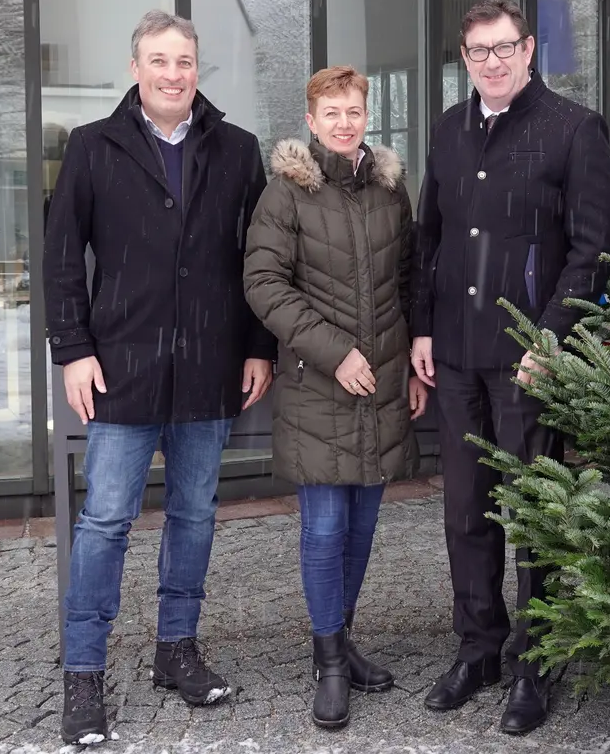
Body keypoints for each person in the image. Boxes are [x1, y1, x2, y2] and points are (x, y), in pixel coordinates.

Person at [44, 9, 276, 746]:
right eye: (159, 60)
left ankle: (176, 650)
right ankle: (84, 673)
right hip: (120, 367)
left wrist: (258, 346)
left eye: (184, 61)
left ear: (196, 68)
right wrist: (72, 349)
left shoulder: (238, 150)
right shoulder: (91, 147)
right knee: (106, 521)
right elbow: (59, 259)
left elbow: (261, 259)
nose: (173, 74)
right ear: (135, 67)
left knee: (195, 515)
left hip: (209, 366)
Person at [410, 0, 610, 734]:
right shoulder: (448, 130)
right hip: (458, 354)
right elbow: (427, 238)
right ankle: (481, 647)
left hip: (528, 357)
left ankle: (537, 659)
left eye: (504, 48)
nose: (492, 62)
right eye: (478, 52)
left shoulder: (571, 129)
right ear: (464, 59)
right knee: (465, 511)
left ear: (529, 50)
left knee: (531, 512)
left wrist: (551, 337)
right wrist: (422, 330)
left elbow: (595, 250)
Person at [243, 65, 428, 730]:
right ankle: (329, 662)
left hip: (380, 386)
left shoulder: (388, 189)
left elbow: (409, 279)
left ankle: (342, 639)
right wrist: (334, 352)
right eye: (332, 113)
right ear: (311, 120)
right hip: (320, 387)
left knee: (362, 528)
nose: (345, 122)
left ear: (364, 116)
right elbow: (264, 282)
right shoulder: (287, 193)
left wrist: (408, 365)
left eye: (354, 111)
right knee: (323, 530)